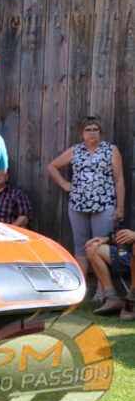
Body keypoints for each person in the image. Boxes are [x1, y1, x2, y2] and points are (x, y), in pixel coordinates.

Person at [47, 116, 125, 285]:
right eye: (88, 130)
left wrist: (120, 208)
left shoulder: (111, 150)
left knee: (98, 246)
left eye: (95, 129)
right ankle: (80, 285)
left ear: (100, 132)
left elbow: (119, 180)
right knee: (80, 246)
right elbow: (52, 166)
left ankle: (102, 288)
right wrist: (64, 184)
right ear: (81, 134)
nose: (92, 133)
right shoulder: (76, 150)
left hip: (104, 204)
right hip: (77, 204)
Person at [84, 228, 135, 320]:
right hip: (126, 253)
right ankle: (112, 298)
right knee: (92, 247)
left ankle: (131, 300)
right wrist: (107, 238)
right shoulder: (129, 213)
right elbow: (123, 229)